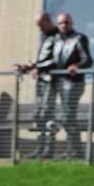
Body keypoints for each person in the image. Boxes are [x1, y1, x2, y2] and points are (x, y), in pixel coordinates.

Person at [48, 13, 93, 159]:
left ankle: (74, 151)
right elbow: (49, 60)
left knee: (68, 116)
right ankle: (74, 151)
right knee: (67, 117)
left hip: (73, 83)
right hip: (58, 81)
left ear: (72, 23)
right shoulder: (54, 40)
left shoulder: (79, 38)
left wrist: (77, 65)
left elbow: (88, 60)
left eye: (66, 22)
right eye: (61, 23)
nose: (64, 25)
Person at [15, 12, 58, 159]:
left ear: (47, 21)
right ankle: (40, 148)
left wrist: (38, 68)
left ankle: (48, 149)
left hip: (50, 81)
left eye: (41, 25)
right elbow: (43, 61)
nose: (40, 29)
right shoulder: (46, 37)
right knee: (39, 114)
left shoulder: (58, 36)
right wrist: (28, 67)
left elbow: (56, 60)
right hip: (41, 80)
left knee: (47, 114)